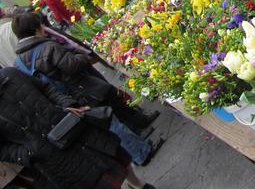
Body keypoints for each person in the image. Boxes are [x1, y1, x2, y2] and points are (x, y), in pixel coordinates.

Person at [12, 13, 162, 167]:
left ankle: (137, 149)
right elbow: (73, 65)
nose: (43, 27)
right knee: (110, 120)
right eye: (40, 25)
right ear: (36, 29)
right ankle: (141, 153)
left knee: (105, 123)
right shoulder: (47, 47)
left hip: (64, 101)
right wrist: (80, 55)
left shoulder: (18, 63)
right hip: (82, 91)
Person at [0, 66, 155, 189]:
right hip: (52, 155)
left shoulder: (11, 73)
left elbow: (46, 88)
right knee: (98, 181)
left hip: (73, 126)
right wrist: (28, 153)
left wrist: (67, 104)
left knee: (118, 155)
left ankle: (138, 185)